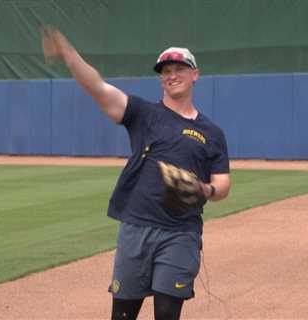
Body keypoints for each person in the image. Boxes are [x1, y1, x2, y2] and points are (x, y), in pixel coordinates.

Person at [41, 27, 231, 320]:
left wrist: (207, 190)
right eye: (165, 70)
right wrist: (69, 55)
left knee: (167, 313)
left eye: (179, 68)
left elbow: (223, 184)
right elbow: (99, 88)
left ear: (195, 74)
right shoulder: (144, 114)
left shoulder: (212, 133)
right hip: (136, 229)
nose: (171, 74)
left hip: (181, 233)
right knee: (122, 315)